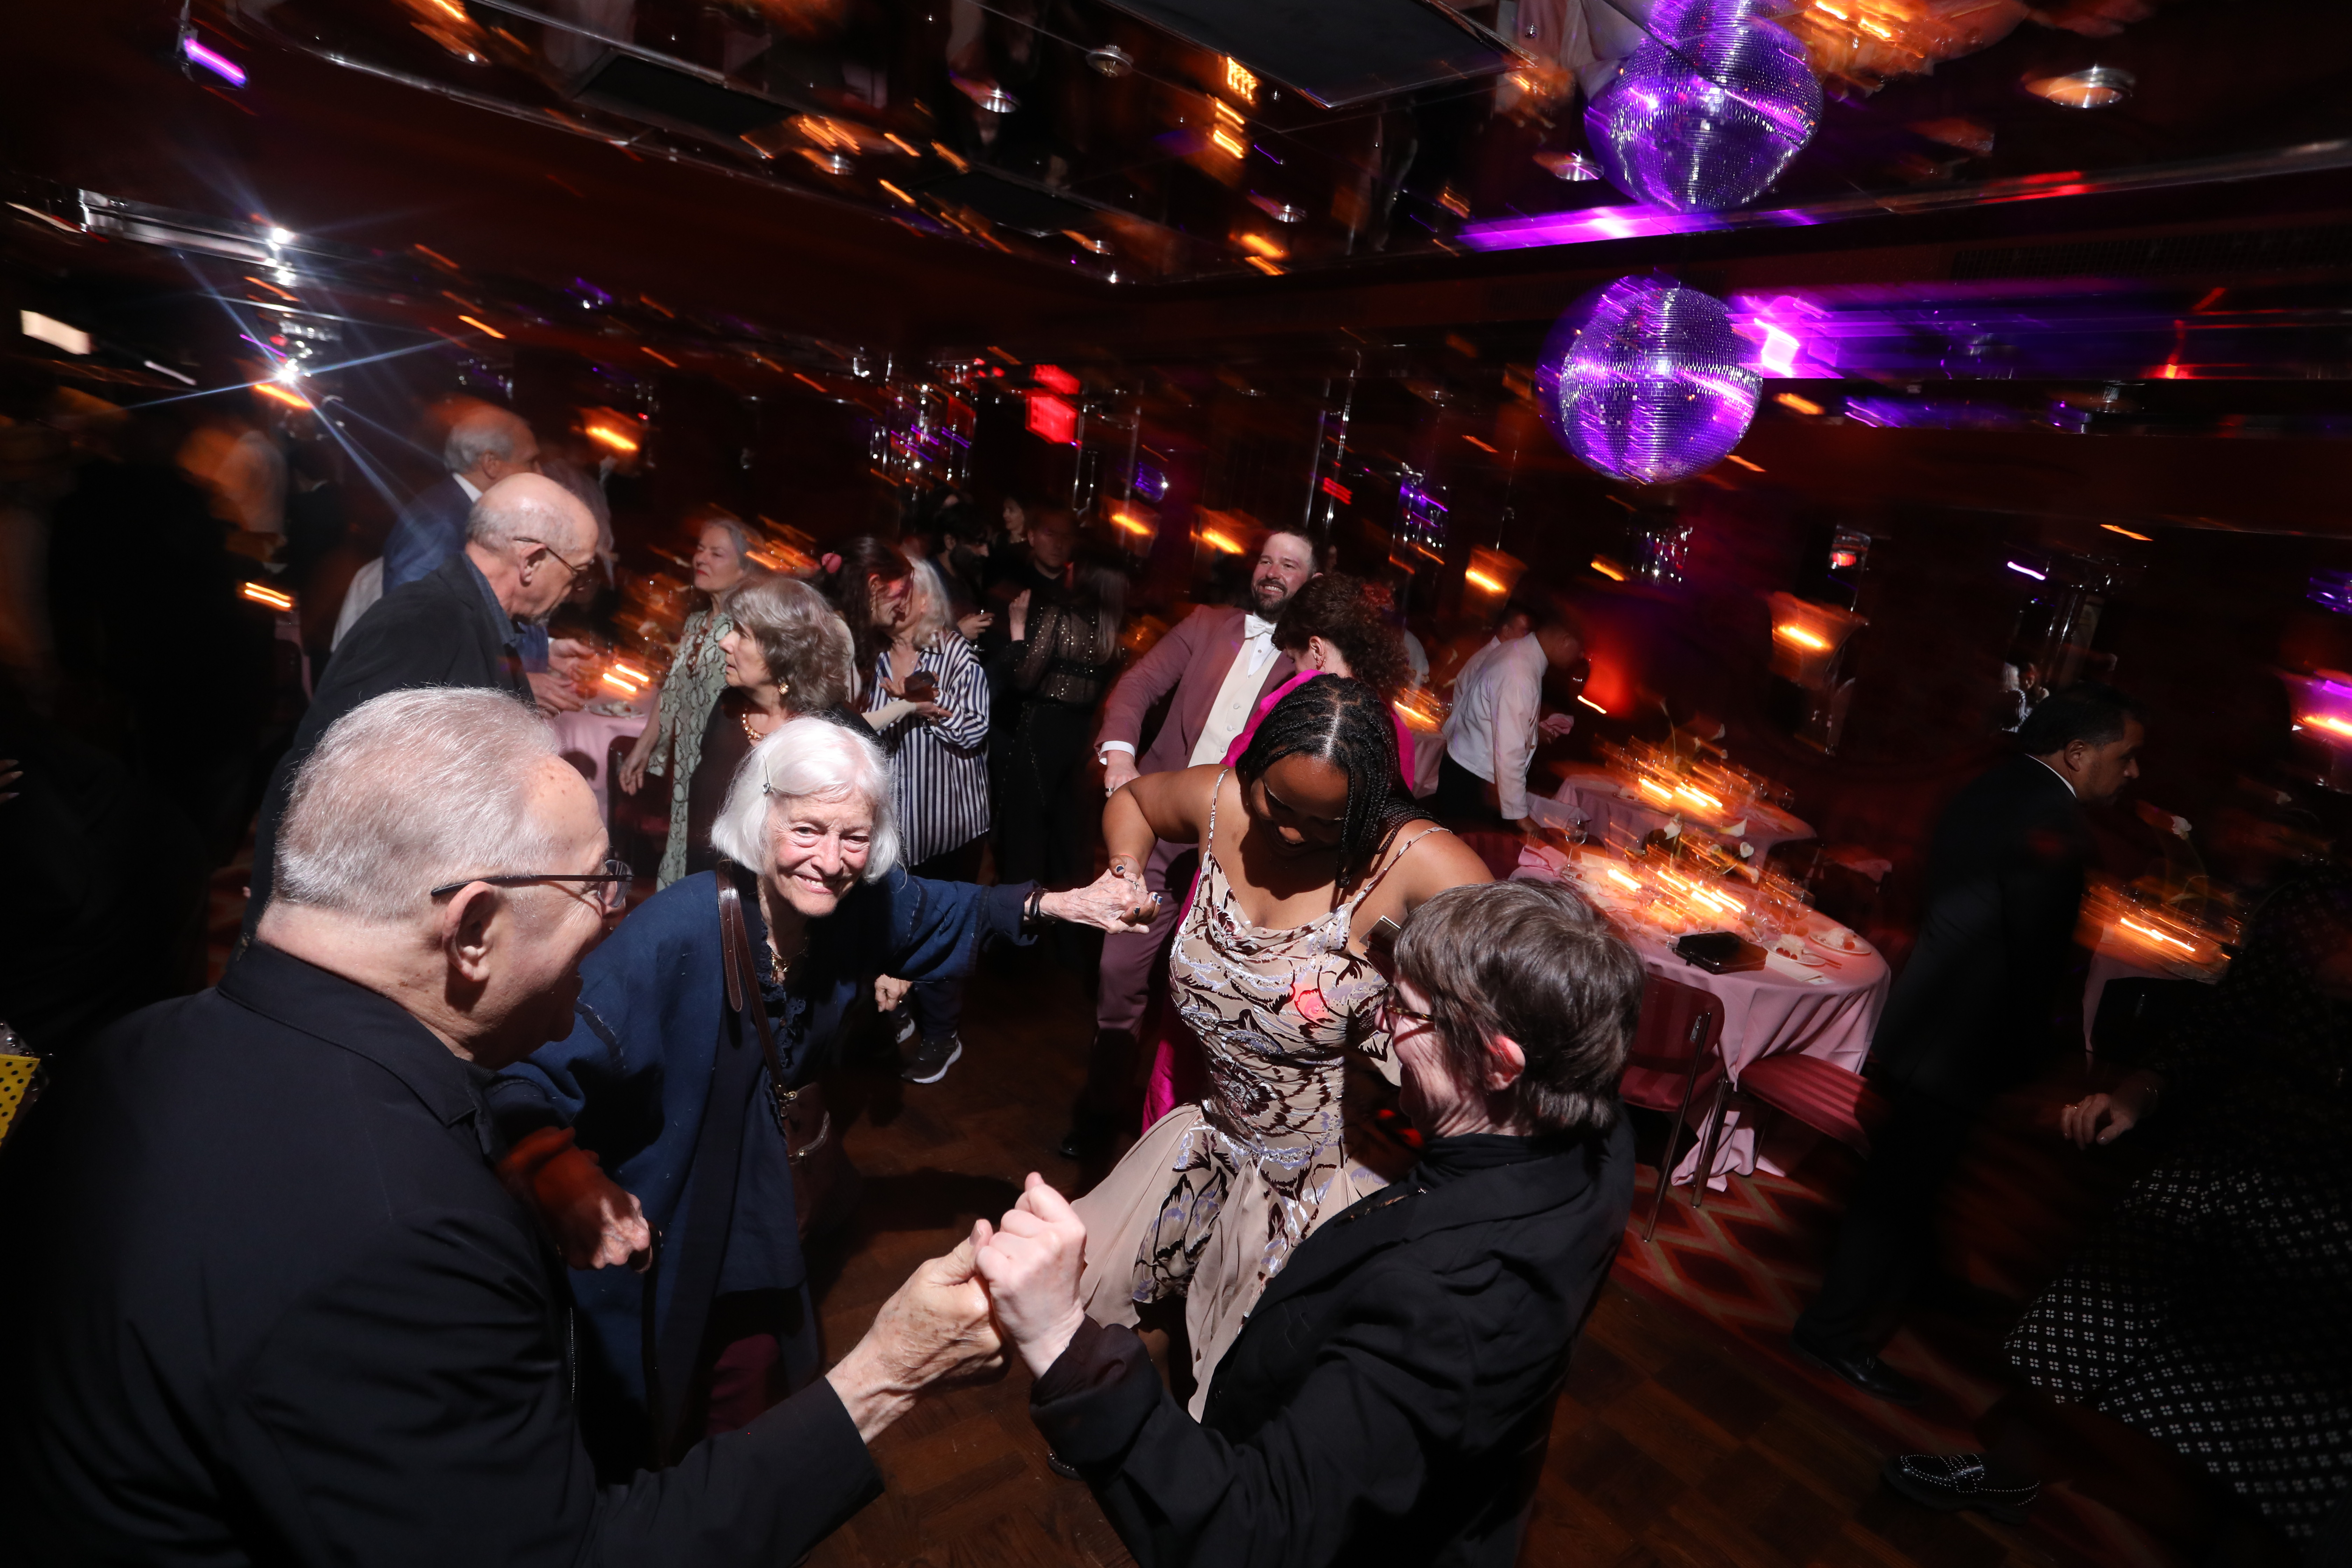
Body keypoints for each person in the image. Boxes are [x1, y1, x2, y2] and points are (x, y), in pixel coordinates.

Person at [0, 688, 1009, 1565]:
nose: (613, 920)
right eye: (594, 886)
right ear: (474, 929)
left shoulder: (119, 1056)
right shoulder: (405, 1233)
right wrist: (887, 1374)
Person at [488, 716, 1148, 1473]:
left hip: (765, 1202)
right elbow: (523, 1076)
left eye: (853, 837)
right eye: (807, 829)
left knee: (747, 1397)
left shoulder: (854, 909)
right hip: (674, 1215)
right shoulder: (676, 933)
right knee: (650, 1411)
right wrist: (553, 1165)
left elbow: (945, 909)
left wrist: (1059, 905)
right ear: (758, 817)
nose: (831, 861)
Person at [973, 878, 1641, 1567]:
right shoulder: (1600, 1133)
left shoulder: (1445, 1300)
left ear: (1499, 1063)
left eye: (1406, 1012)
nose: (1382, 1026)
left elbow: (1253, 1534)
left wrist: (1062, 1338)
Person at [1887, 863, 2352, 1551]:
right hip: (2229, 1155)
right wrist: (2138, 1093)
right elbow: (2225, 1024)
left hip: (2332, 1210)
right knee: (2083, 1324)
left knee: (2280, 1420)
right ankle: (2005, 1475)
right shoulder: (2317, 899)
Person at [1073, 676, 1494, 1402]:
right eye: (1280, 804)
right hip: (1212, 1137)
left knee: (1253, 1388)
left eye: (1328, 822)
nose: (1293, 831)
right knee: (1142, 1299)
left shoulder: (1414, 859)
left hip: (1322, 1178)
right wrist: (1122, 872)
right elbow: (1134, 801)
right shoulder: (1221, 800)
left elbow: (1521, 977)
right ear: (1255, 767)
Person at [1791, 682, 2146, 1403]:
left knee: (1909, 1176)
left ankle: (1918, 1281)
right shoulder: (2055, 822)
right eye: (2127, 756)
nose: (2134, 772)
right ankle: (1832, 1331)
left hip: (1928, 1017)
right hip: (1964, 1040)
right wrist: (2041, 1054)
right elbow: (2038, 955)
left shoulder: (1990, 785)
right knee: (1897, 1188)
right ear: (2077, 754)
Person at [241, 473, 600, 946]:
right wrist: (281, 914)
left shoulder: (476, 622)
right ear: (532, 560)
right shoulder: (424, 621)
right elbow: (325, 774)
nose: (573, 590)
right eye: (576, 573)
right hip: (355, 923)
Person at [1130, 575, 1422, 1127]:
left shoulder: (1291, 704)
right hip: (1322, 952)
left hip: (1239, 915)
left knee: (1191, 1074)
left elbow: (1233, 802)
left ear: (1314, 649)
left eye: (1291, 658)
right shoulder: (1394, 728)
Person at [1080, 527, 1317, 1147]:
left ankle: (1173, 1130)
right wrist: (1121, 758)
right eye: (1266, 560)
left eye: (1288, 565)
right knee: (1120, 971)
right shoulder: (1207, 624)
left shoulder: (1312, 666)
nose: (1272, 572)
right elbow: (1137, 686)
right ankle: (1101, 1107)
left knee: (1198, 995)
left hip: (1237, 856)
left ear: (1310, 583)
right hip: (1160, 833)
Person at [861, 559, 993, 1084]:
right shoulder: (871, 659)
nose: (885, 605)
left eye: (895, 594)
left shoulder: (956, 654)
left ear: (921, 598)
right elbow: (861, 732)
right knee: (890, 924)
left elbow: (973, 731)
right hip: (890, 822)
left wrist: (917, 706)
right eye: (878, 595)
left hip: (947, 824)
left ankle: (943, 1034)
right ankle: (898, 1012)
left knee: (939, 929)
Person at [679, 573, 856, 882]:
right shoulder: (727, 710)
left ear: (783, 650)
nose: (725, 642)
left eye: (742, 634)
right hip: (711, 905)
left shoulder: (836, 733)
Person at [616, 509, 757, 888]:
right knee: (681, 856)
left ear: (744, 569)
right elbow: (673, 691)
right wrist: (643, 748)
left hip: (723, 763)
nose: (701, 558)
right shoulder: (696, 623)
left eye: (717, 553)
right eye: (700, 549)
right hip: (687, 768)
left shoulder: (750, 628)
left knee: (714, 861)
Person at [999, 542, 1128, 890]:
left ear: (1087, 576)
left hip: (1042, 732)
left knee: (1025, 833)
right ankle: (1061, 929)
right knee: (1066, 837)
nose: (1068, 565)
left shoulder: (1061, 616)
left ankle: (1017, 924)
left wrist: (1016, 629)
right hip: (1080, 737)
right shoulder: (1114, 630)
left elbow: (1024, 677)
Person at [1436, 606, 1583, 830]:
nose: (1580, 656)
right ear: (1564, 641)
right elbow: (1509, 750)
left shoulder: (1516, 651)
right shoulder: (1520, 672)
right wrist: (1520, 816)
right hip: (1472, 781)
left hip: (1465, 770)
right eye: (1579, 649)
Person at [816, 534, 913, 698]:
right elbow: (839, 720)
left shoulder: (829, 623)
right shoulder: (838, 636)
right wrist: (911, 706)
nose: (904, 606)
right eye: (901, 593)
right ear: (875, 586)